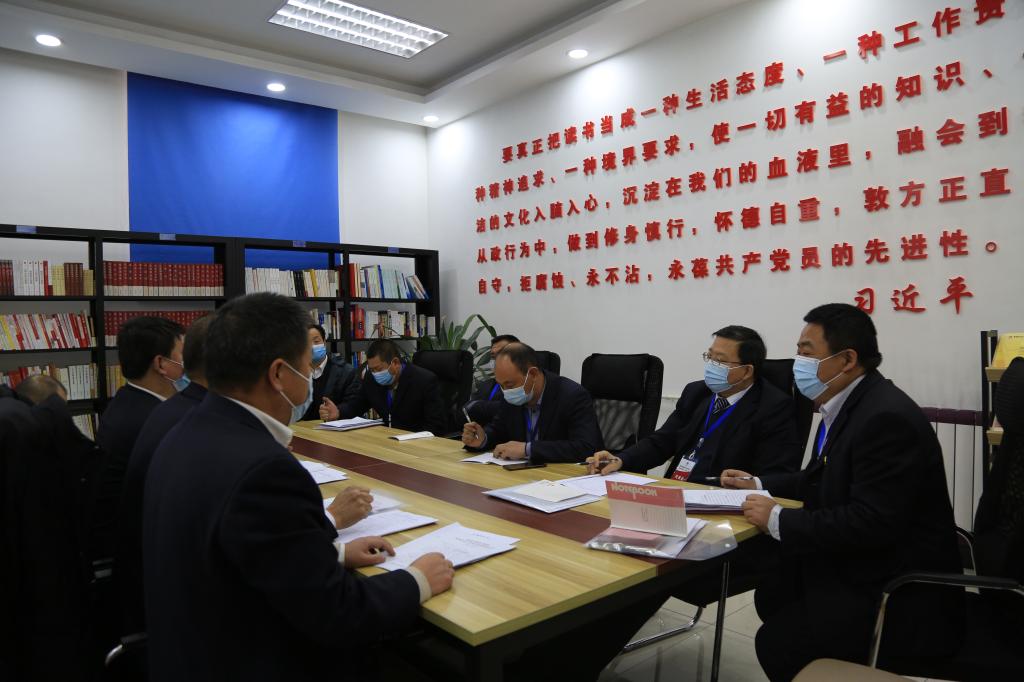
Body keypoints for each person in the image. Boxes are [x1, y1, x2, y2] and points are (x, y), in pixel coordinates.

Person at [143, 293, 453, 680]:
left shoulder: (184, 430)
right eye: (307, 365)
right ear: (278, 374)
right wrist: (417, 579)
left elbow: (244, 550)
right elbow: (338, 613)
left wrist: (333, 553)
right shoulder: (266, 470)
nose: (310, 376)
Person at [722, 303, 963, 680]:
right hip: (865, 563)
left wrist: (779, 518)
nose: (798, 362)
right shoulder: (851, 403)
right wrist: (757, 483)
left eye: (806, 352)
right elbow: (818, 478)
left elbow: (871, 522)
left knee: (778, 642)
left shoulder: (885, 418)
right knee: (774, 589)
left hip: (899, 590)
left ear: (847, 359)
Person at [585, 326, 801, 482]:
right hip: (677, 490)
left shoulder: (774, 407)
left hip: (722, 500)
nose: (712, 365)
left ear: (746, 371)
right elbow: (663, 441)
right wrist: (621, 459)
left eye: (720, 360)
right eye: (710, 357)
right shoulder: (697, 392)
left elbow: (775, 475)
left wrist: (748, 483)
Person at [92, 316, 185, 563]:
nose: (188, 364)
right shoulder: (158, 419)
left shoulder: (127, 399)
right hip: (137, 547)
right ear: (161, 364)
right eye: (183, 355)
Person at [462, 342, 603, 463]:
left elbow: (586, 447)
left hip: (560, 477)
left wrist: (527, 449)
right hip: (522, 474)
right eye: (501, 385)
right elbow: (499, 429)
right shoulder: (509, 395)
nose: (505, 391)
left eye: (510, 385)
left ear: (533, 374)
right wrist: (483, 439)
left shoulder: (572, 396)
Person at [320, 338, 447, 435]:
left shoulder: (424, 381)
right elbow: (357, 405)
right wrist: (338, 411)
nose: (375, 374)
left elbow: (436, 426)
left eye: (379, 369)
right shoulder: (371, 379)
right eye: (372, 370)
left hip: (417, 445)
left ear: (395, 363)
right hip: (388, 441)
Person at [303, 322, 361, 422]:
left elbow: (355, 405)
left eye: (316, 341)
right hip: (303, 429)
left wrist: (338, 411)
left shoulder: (346, 372)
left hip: (336, 428)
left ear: (324, 343)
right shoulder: (296, 373)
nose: (312, 347)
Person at [463, 333, 519, 426]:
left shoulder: (525, 384)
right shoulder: (485, 385)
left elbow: (515, 409)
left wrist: (480, 406)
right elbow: (467, 410)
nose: (496, 360)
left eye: (501, 354)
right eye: (493, 356)